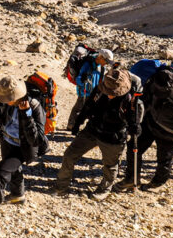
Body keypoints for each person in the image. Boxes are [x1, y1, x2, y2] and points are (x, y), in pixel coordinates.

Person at [54, 67, 136, 200]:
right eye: (108, 91)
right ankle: (61, 185)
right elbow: (88, 106)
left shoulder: (131, 99)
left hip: (113, 138)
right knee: (69, 154)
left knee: (110, 166)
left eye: (113, 93)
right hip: (92, 130)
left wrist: (135, 127)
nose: (110, 94)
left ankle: (104, 189)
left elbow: (135, 121)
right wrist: (78, 122)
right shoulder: (99, 90)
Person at [118, 65, 173, 191]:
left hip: (170, 133)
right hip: (150, 124)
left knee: (164, 161)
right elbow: (145, 102)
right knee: (133, 147)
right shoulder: (155, 81)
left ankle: (158, 183)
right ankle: (132, 179)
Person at [0, 75, 48, 216]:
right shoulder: (6, 103)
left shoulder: (34, 107)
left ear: (15, 97)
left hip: (23, 147)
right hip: (7, 140)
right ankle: (17, 195)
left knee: (0, 172)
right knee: (13, 169)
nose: (2, 101)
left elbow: (36, 139)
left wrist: (26, 115)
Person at [67, 48, 113, 130]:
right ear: (101, 57)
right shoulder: (87, 65)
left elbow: (101, 81)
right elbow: (78, 79)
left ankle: (83, 127)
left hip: (94, 93)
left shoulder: (102, 68)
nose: (106, 64)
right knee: (79, 108)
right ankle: (71, 125)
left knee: (90, 110)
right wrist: (82, 80)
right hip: (84, 91)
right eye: (106, 61)